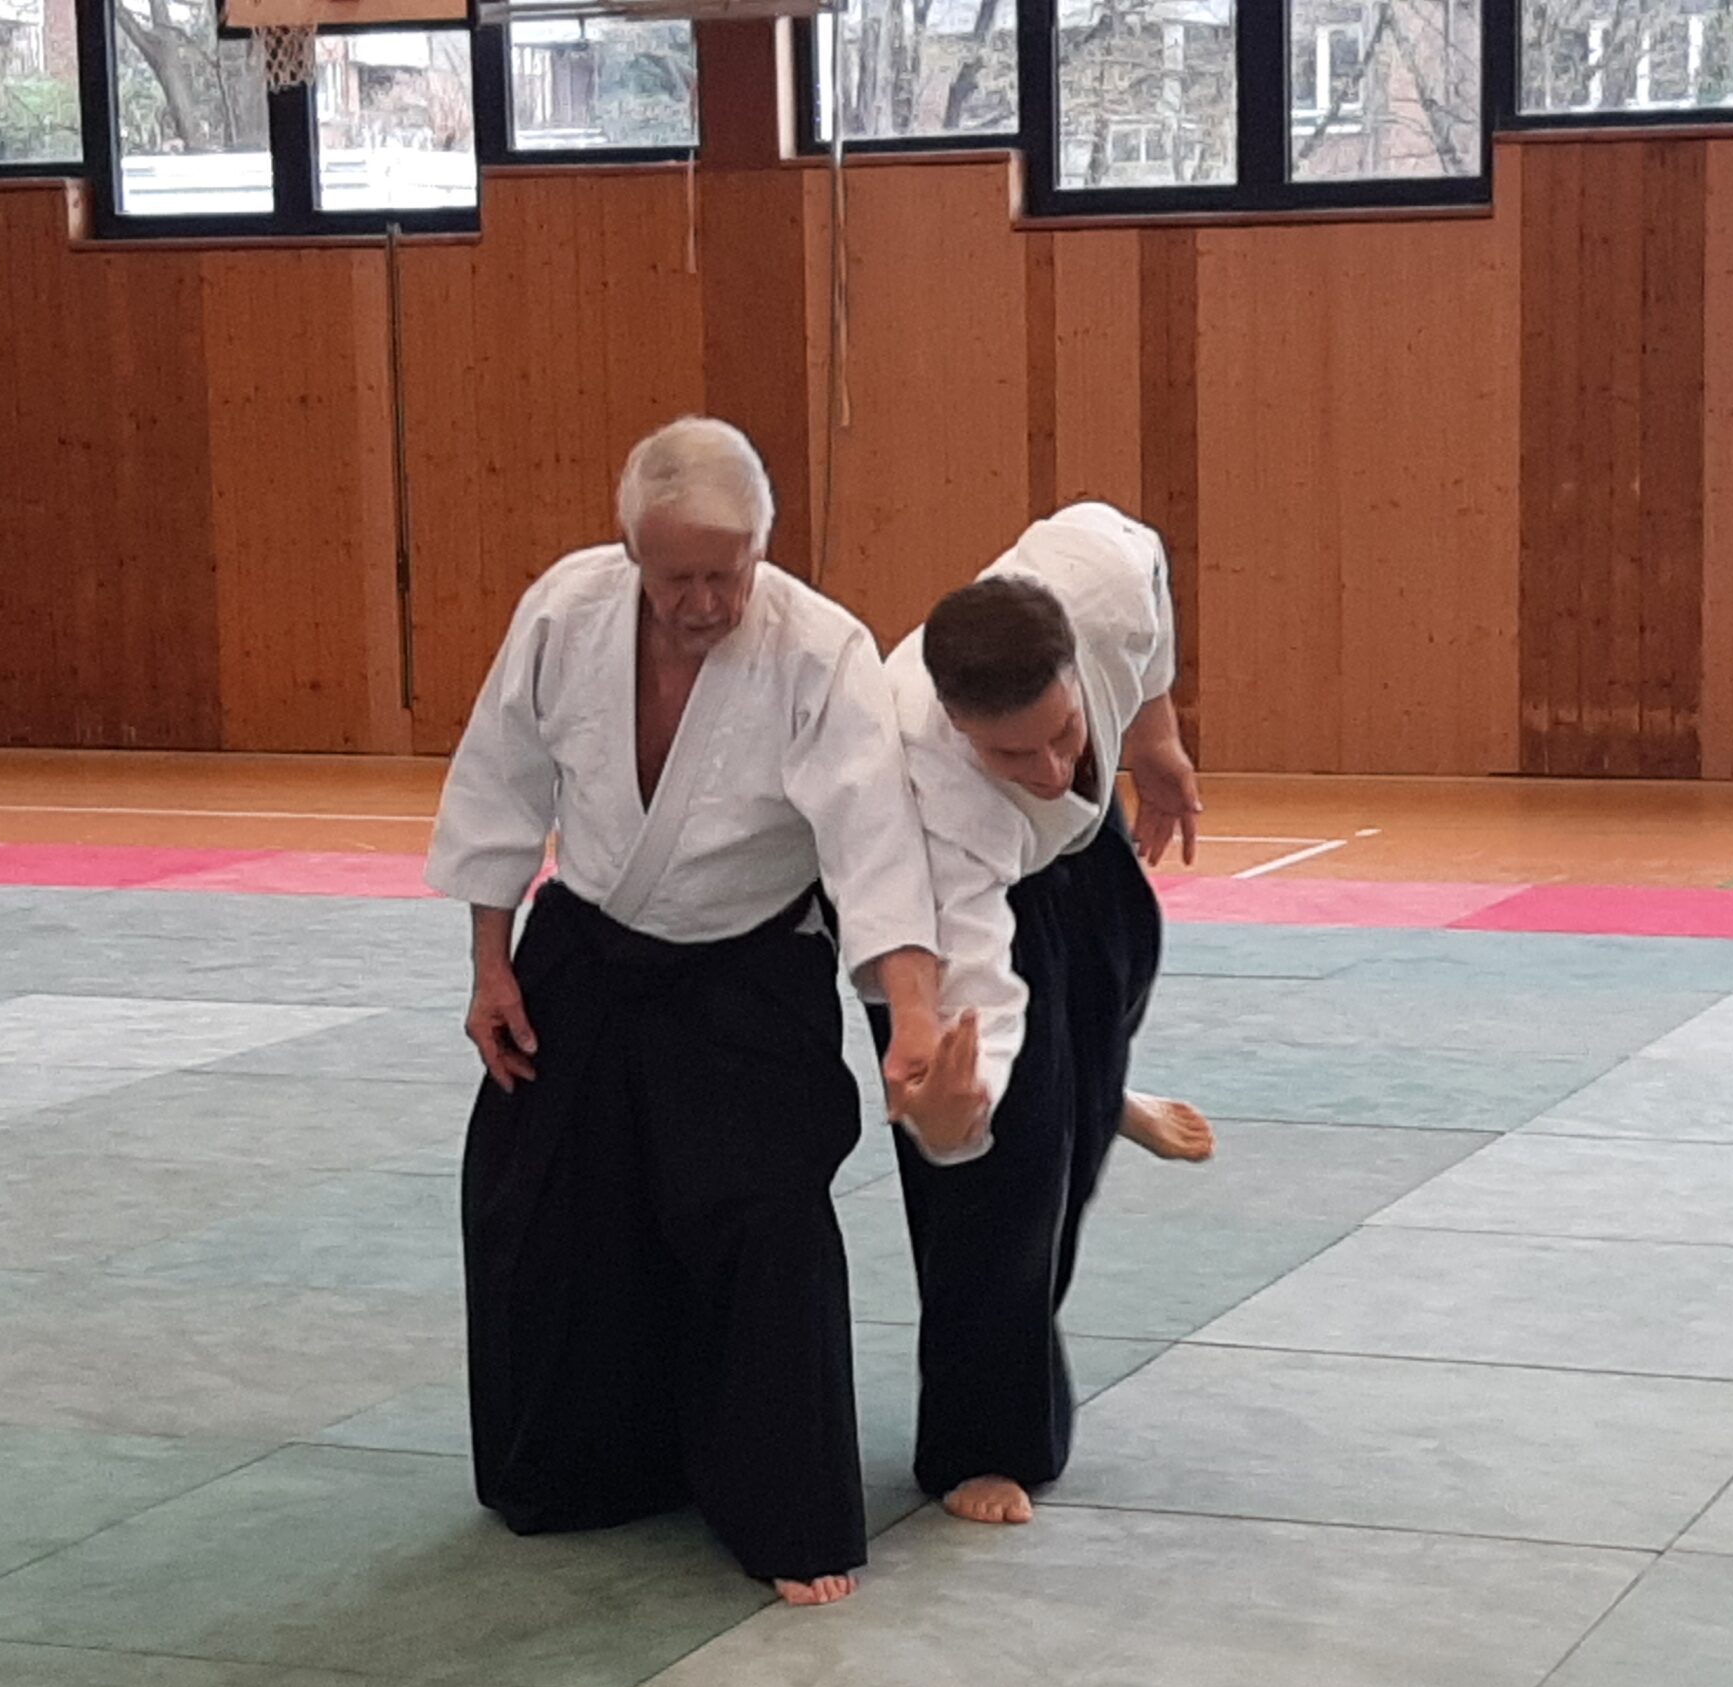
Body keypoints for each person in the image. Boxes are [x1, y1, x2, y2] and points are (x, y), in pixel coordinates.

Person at [424, 417, 943, 1607]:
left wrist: (911, 1015)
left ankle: (785, 1509)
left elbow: (873, 849)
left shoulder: (821, 652)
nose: (705, 602)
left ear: (764, 544)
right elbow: (500, 781)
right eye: (677, 578)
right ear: (630, 553)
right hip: (589, 951)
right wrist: (489, 965)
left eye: (728, 571)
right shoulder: (566, 612)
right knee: (533, 1197)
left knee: (761, 1216)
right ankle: (593, 1465)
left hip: (745, 973)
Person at [879, 501, 1213, 1527]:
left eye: (1062, 733)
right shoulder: (927, 772)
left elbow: (1150, 568)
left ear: (1075, 658)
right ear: (958, 725)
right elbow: (976, 981)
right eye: (1012, 754)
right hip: (967, 905)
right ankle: (981, 1445)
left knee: (1121, 969)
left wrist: (1151, 734)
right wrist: (958, 1116)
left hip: (1079, 852)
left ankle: (1097, 1092)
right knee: (1009, 1182)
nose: (1048, 768)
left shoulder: (1098, 578)